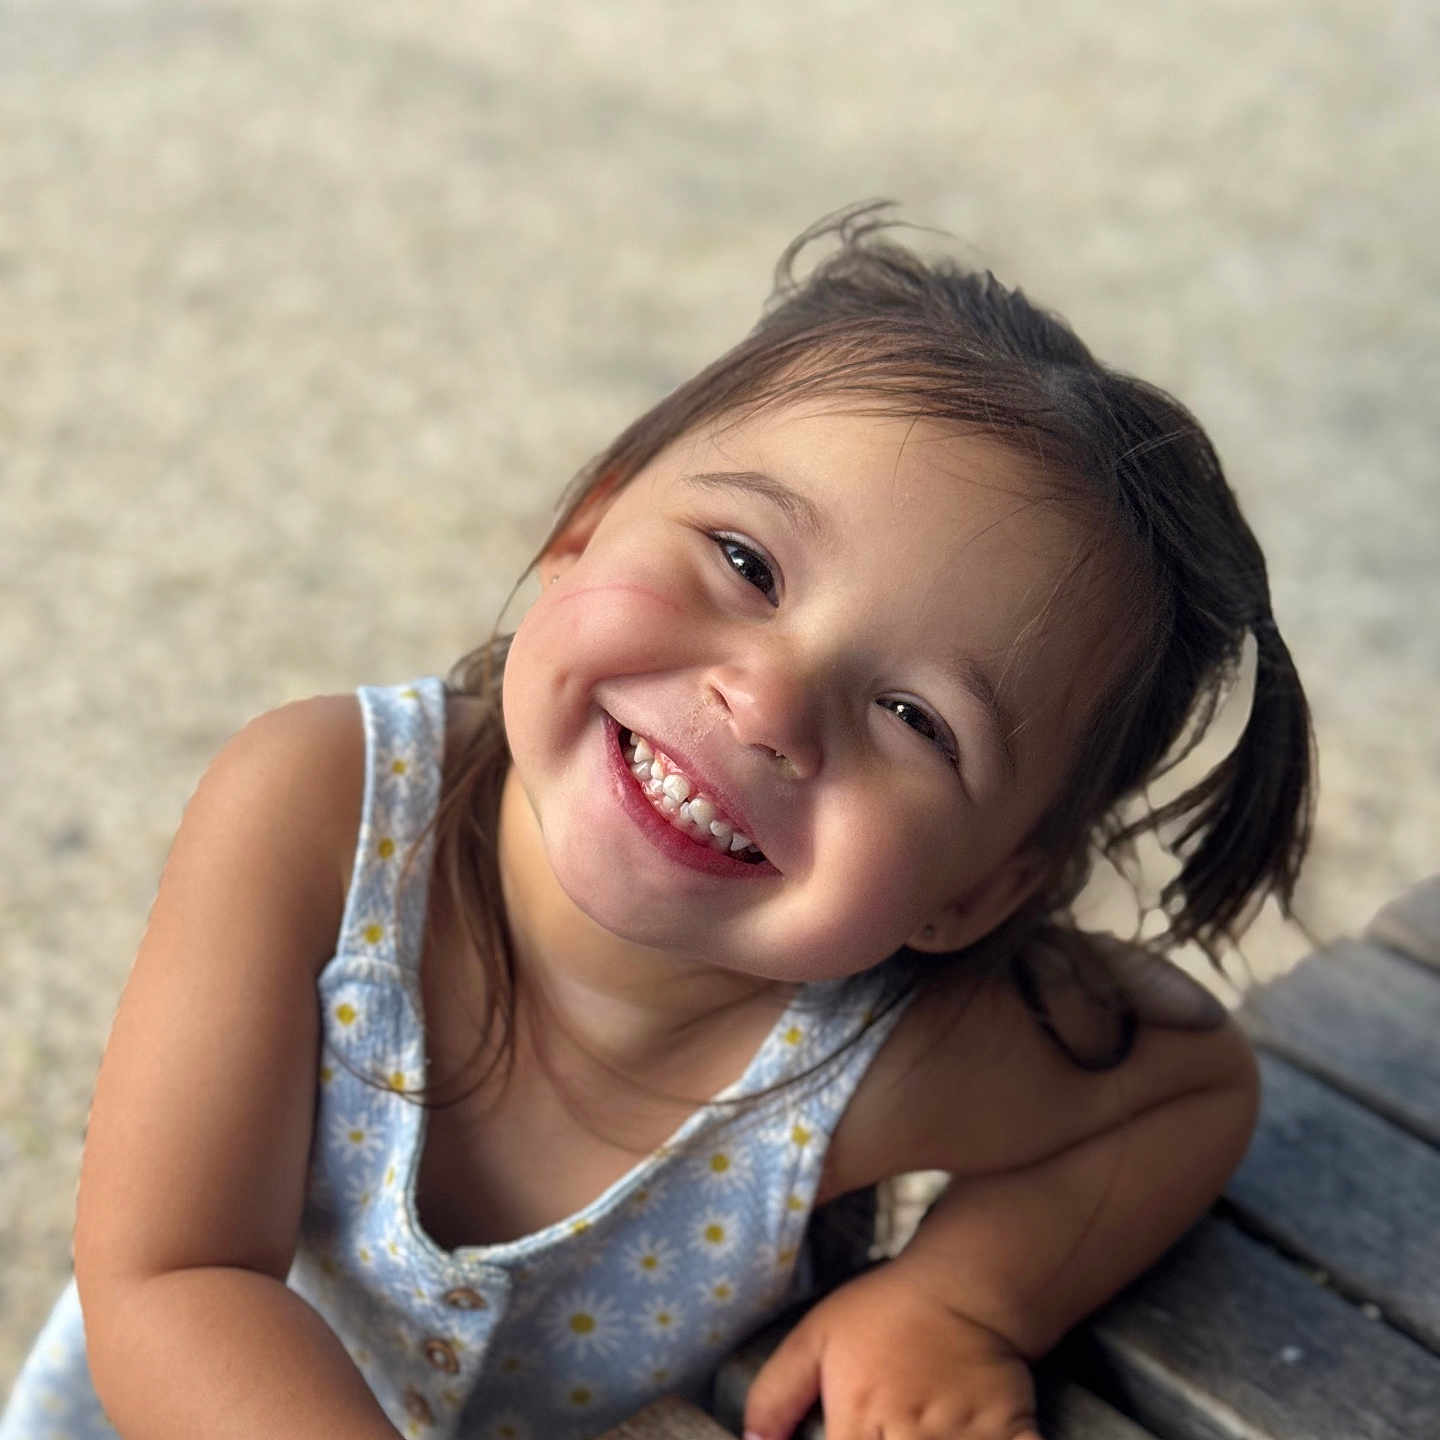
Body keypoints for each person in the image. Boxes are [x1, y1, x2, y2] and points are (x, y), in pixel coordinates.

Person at [2, 205, 1313, 1440]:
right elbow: (172, 1273)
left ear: (973, 894)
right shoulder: (320, 816)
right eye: (745, 563)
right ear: (585, 523)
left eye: (917, 717)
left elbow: (1189, 1085)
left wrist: (963, 1299)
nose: (766, 703)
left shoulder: (879, 1058)